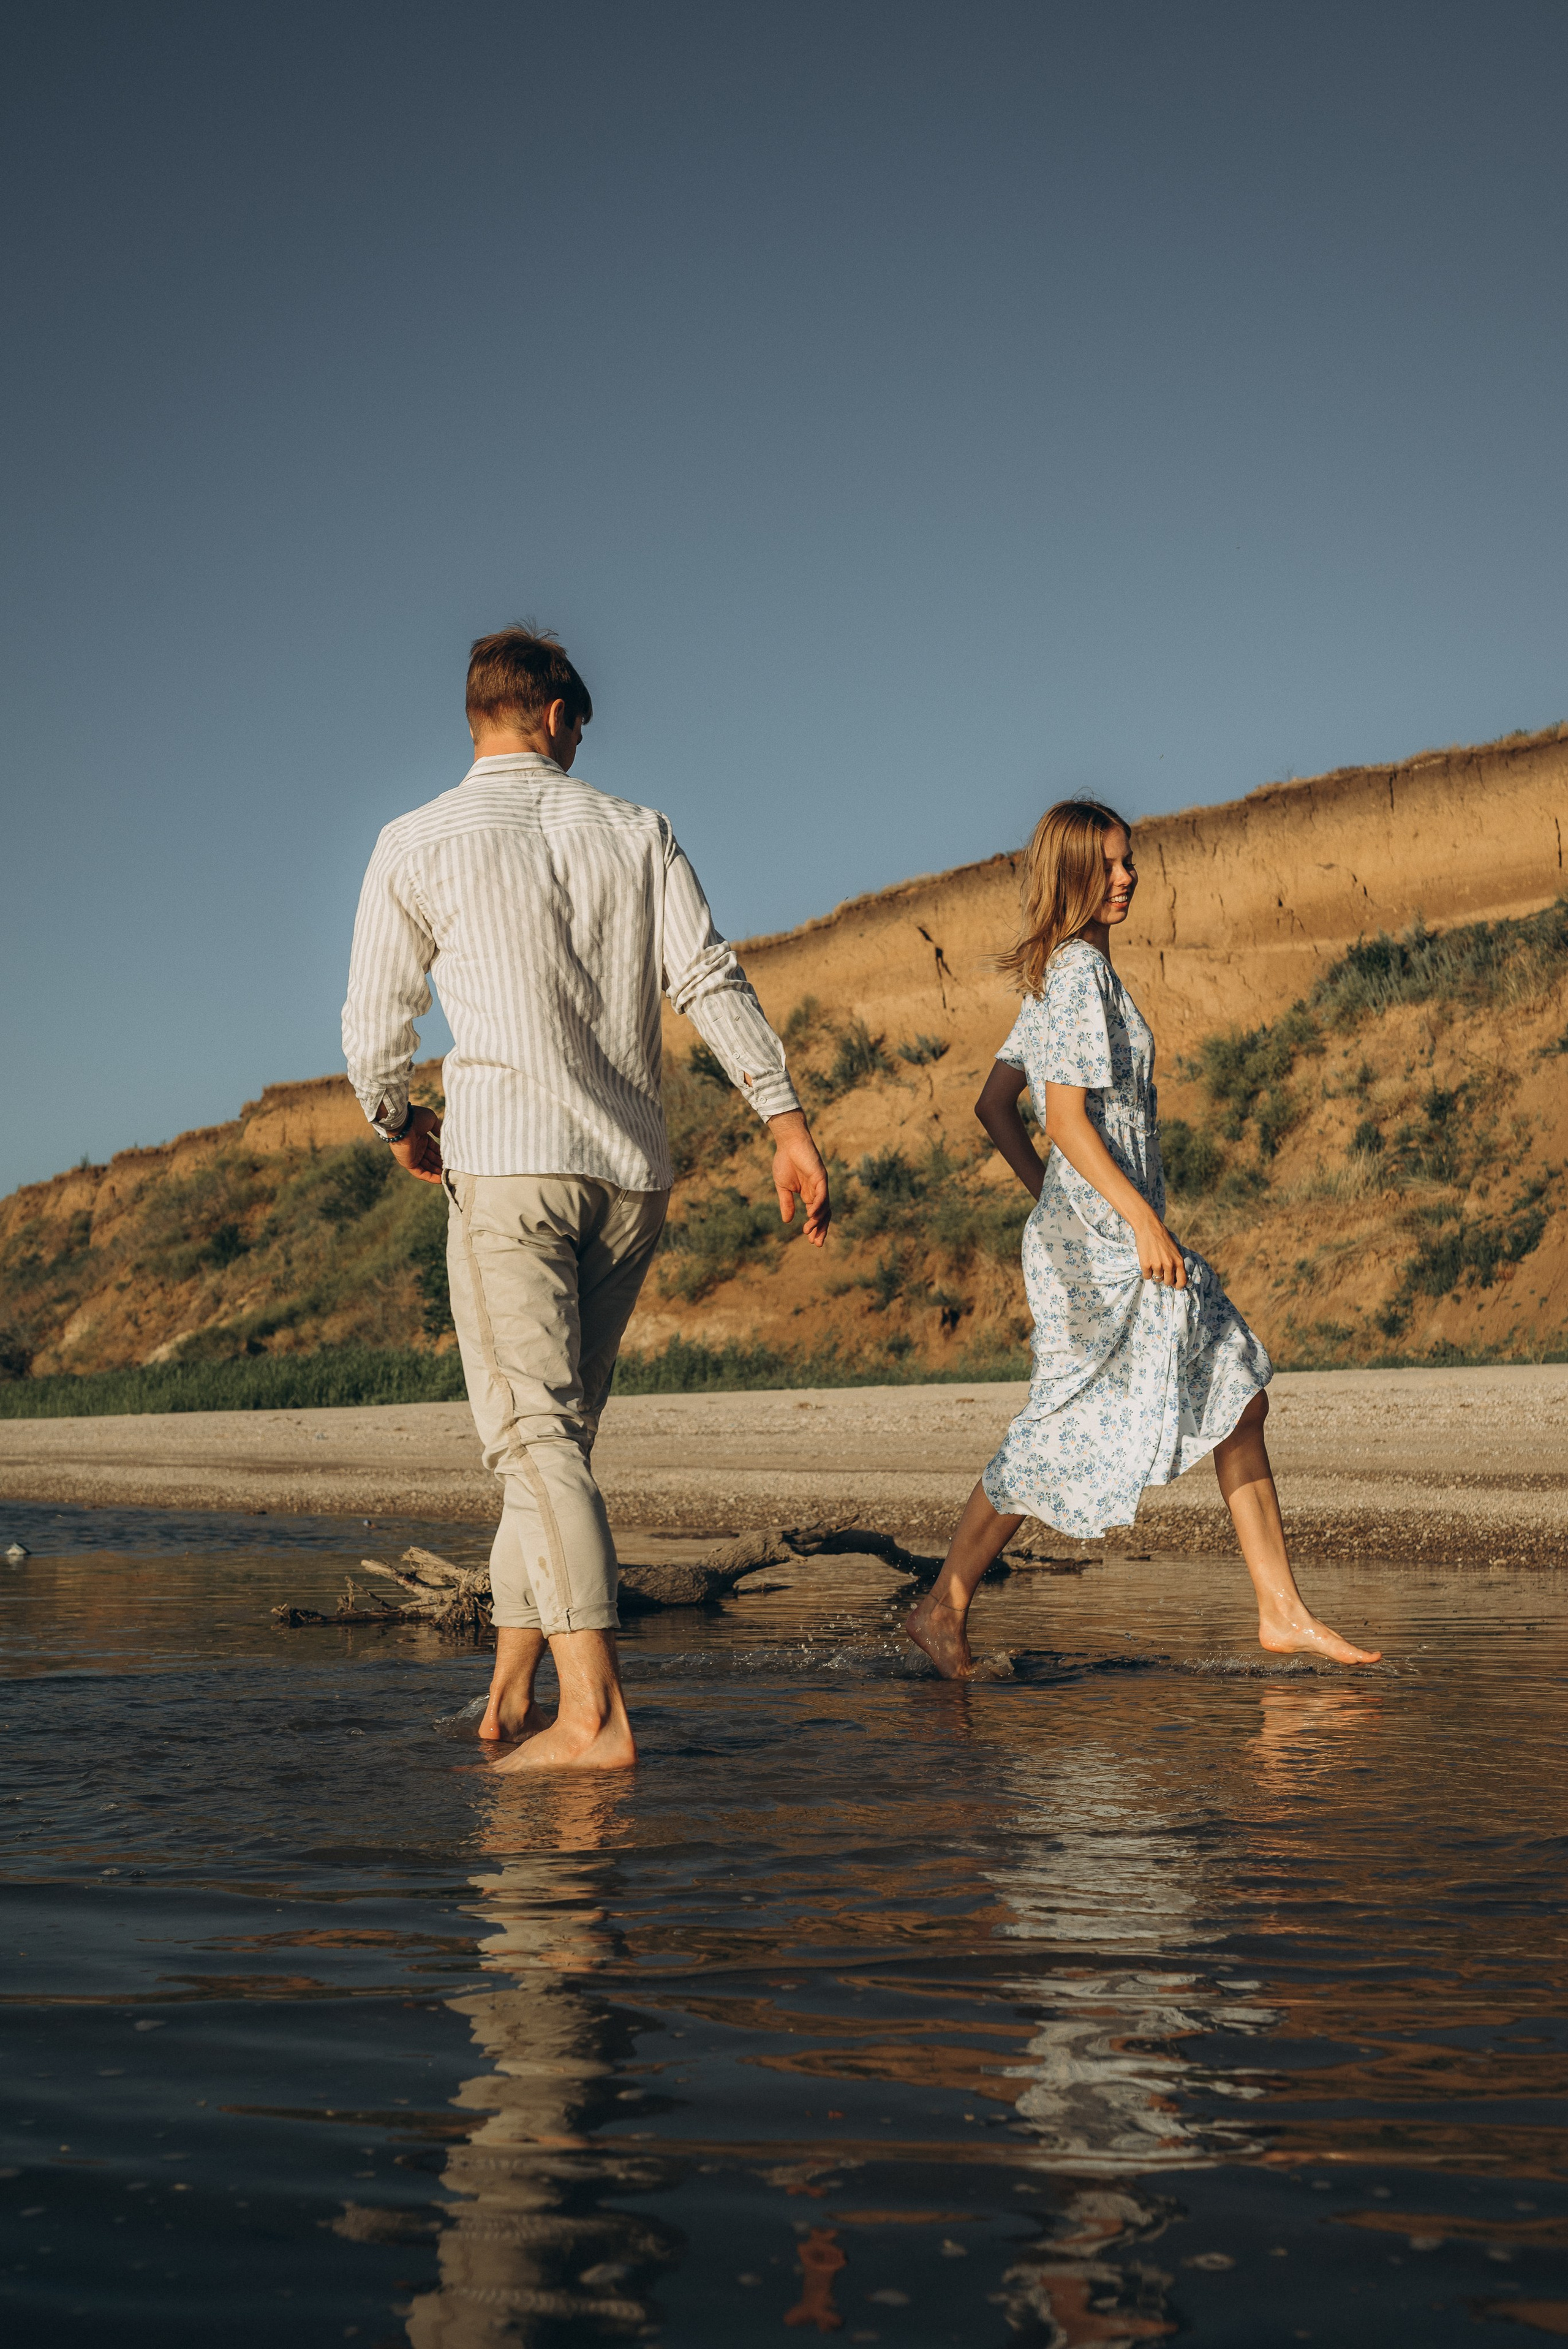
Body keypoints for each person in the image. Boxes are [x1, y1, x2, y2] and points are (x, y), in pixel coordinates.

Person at [343, 624, 831, 1768]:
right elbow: (707, 975)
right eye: (579, 728)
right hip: (628, 1177)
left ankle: (595, 1719)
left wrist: (399, 1122)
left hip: (509, 1164)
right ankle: (511, 1693)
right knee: (557, 1443)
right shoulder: (636, 830)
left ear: (480, 714)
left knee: (533, 1444)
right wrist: (785, 1120)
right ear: (556, 713)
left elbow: (374, 1036)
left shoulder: (413, 841)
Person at [904, 798, 1379, 1679]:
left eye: (1129, 861)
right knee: (1066, 1420)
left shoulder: (1061, 974)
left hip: (1093, 1230)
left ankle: (1281, 1610)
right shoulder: (1077, 975)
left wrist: (1059, 1200)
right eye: (1108, 865)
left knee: (1237, 1389)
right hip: (1110, 1242)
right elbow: (1063, 1117)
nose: (1126, 877)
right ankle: (942, 1605)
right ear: (1071, 875)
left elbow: (993, 1106)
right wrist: (1135, 1217)